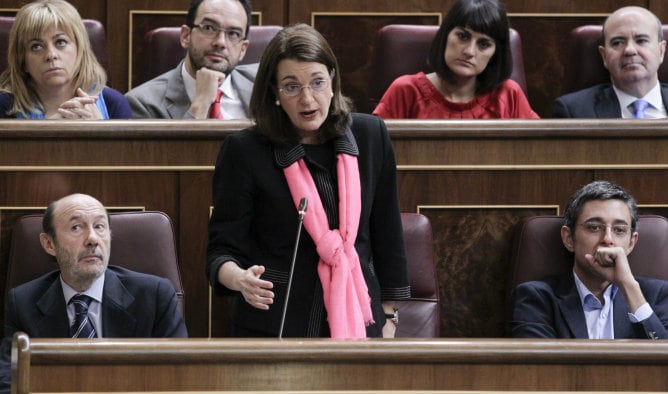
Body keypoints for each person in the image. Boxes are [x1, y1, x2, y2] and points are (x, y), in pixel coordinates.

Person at [206, 23, 410, 339]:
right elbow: (221, 250)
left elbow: (388, 236)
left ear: (332, 82)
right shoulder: (245, 151)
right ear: (274, 93)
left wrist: (389, 317)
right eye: (291, 86)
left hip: (362, 317)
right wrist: (239, 278)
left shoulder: (370, 137)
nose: (307, 99)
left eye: (317, 83)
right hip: (277, 323)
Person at [0, 193, 187, 391]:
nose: (92, 239)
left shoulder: (155, 296)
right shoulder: (23, 302)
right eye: (76, 228)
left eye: (99, 227)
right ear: (49, 244)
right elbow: (7, 380)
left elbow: (180, 375)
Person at [509, 181, 668, 339]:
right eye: (594, 227)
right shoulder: (536, 298)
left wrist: (628, 286)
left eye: (619, 230)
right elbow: (537, 363)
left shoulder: (657, 296)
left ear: (631, 243)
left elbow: (662, 360)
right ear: (569, 238)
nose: (607, 239)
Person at [372, 0, 538, 119]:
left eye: (484, 44)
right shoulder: (405, 91)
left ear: (495, 53)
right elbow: (374, 155)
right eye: (463, 36)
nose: (469, 51)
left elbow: (535, 153)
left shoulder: (509, 94)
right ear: (445, 36)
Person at [125, 0, 257, 119]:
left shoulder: (264, 86)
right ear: (185, 36)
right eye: (208, 28)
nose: (220, 42)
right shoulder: (143, 104)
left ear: (243, 49)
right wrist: (201, 102)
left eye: (233, 34)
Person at [0, 0, 131, 119]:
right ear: (23, 61)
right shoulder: (4, 106)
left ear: (80, 50)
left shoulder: (113, 103)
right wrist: (48, 131)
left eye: (60, 42)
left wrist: (100, 130)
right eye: (36, 46)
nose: (51, 55)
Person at [554, 6, 668, 118]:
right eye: (617, 43)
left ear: (661, 51)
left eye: (641, 40)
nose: (630, 50)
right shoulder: (573, 111)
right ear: (604, 56)